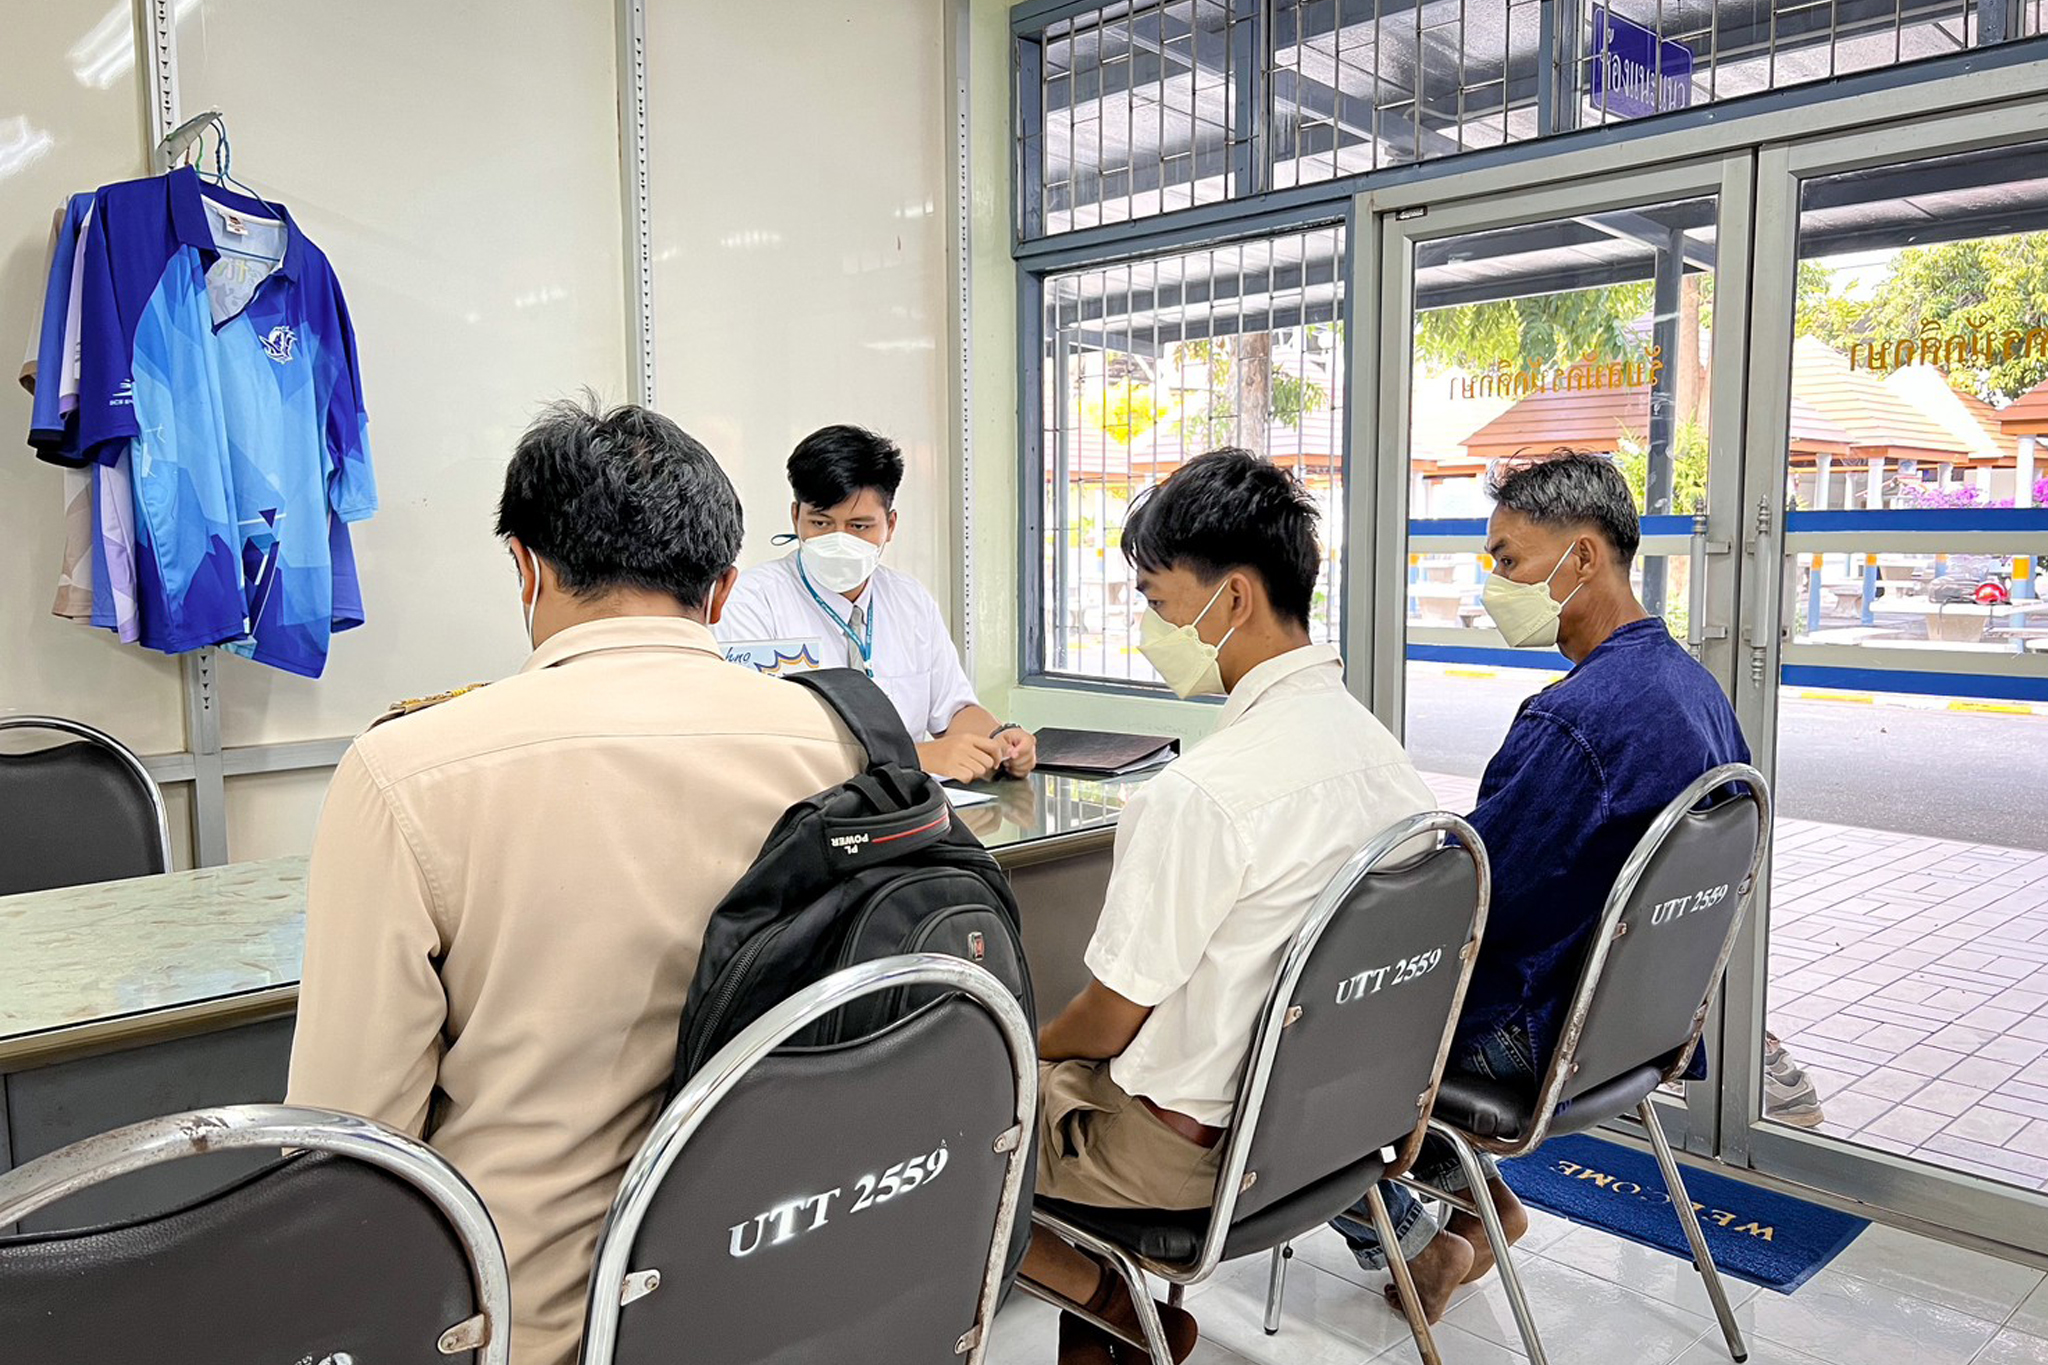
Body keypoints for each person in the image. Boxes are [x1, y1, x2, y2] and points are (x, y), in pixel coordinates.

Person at [286, 399, 864, 1365]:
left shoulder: (408, 771)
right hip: (790, 1270)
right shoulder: (847, 744)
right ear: (722, 590)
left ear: (525, 565)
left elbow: (352, 1144)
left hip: (528, 1319)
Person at [1020, 449, 1435, 1365]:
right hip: (1333, 1132)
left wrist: (1020, 1049)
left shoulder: (1200, 796)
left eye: (1159, 601)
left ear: (1234, 598)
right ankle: (1121, 1310)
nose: (1149, 626)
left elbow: (1107, 1020)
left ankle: (1112, 1302)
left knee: (947, 1128)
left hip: (1190, 1156)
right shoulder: (1385, 760)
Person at [1332, 450, 1751, 1320]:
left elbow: (1473, 901)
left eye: (1510, 559)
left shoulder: (1575, 722)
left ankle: (1423, 1234)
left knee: (1299, 1038)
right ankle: (1477, 1204)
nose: (1496, 582)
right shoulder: (1698, 692)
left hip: (1538, 1037)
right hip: (1633, 1030)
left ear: (1585, 557)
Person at [715, 424, 1036, 782]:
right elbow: (763, 743)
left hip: (908, 814)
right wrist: (915, 757)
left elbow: (954, 711)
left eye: (859, 527)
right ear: (795, 517)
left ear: (890, 525)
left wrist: (999, 740)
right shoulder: (751, 603)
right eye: (820, 523)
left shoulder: (910, 601)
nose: (838, 541)